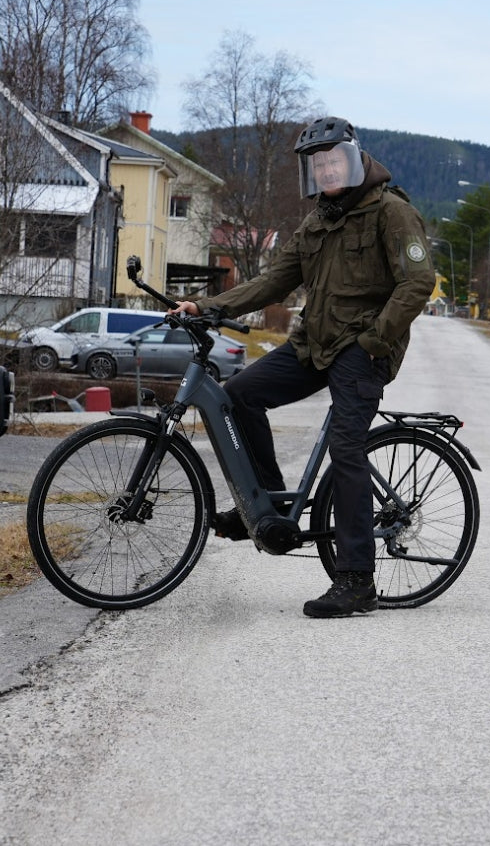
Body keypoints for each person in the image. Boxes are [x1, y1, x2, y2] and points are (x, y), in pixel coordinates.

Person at [176, 116, 436, 618]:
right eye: (318, 164)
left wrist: (376, 338)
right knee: (240, 394)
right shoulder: (317, 221)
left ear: (354, 159)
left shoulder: (391, 212)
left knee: (347, 449)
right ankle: (267, 504)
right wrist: (210, 306)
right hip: (314, 343)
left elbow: (417, 282)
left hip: (363, 348)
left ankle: (356, 579)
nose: (326, 169)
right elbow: (272, 281)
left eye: (334, 160)